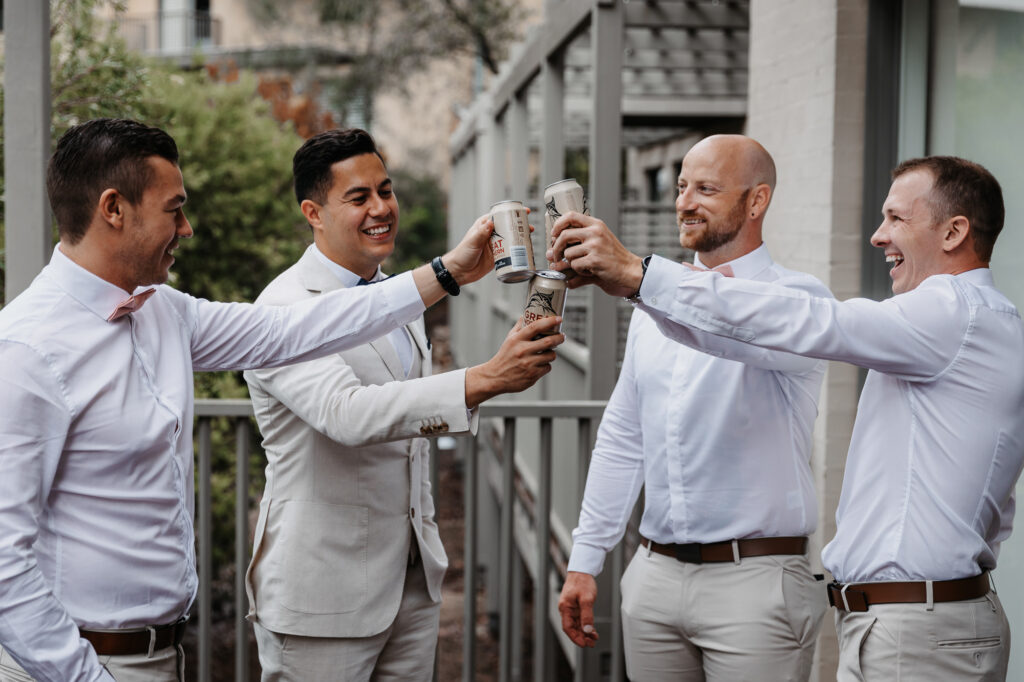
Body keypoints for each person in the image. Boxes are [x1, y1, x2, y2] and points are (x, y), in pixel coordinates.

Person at [0, 118, 498, 682]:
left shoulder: (164, 310)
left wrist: (446, 274)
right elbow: (4, 565)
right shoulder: (27, 351)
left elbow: (295, 330)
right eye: (174, 210)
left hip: (159, 656)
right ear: (114, 209)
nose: (186, 229)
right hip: (73, 665)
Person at [550, 152, 1023, 680]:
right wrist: (646, 289)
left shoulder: (953, 313)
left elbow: (807, 322)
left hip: (915, 628)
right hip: (900, 622)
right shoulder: (960, 321)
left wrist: (640, 275)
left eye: (896, 218)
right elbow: (625, 432)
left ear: (954, 232)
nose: (878, 235)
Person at [242, 128, 563, 681]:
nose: (381, 208)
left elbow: (409, 434)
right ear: (313, 213)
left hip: (412, 584)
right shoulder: (282, 307)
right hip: (323, 595)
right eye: (358, 197)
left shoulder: (401, 297)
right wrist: (486, 378)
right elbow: (347, 414)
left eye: (385, 191)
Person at [556, 135, 831, 681]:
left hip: (756, 583)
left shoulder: (801, 299)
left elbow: (731, 325)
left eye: (706, 189)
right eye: (681, 187)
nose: (684, 202)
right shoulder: (652, 307)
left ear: (757, 201)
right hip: (653, 579)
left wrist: (639, 278)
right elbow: (623, 437)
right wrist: (586, 559)